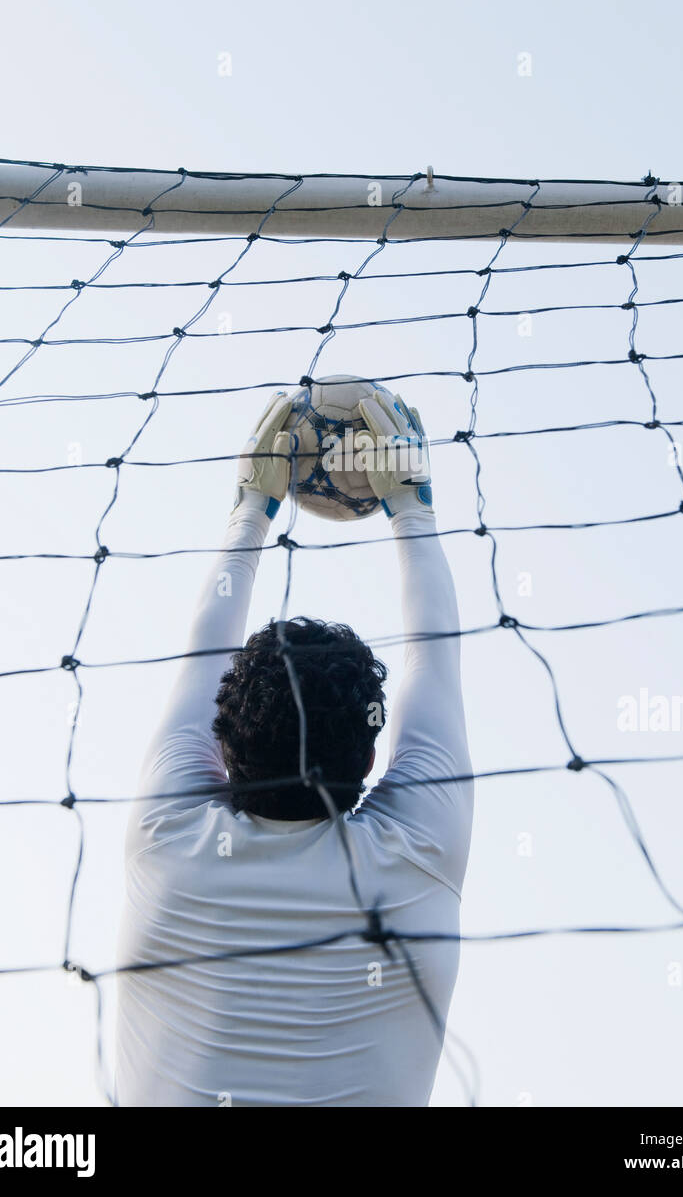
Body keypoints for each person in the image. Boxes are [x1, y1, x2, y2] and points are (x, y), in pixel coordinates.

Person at [115, 387, 473, 1106]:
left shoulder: (167, 834)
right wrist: (412, 507)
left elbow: (200, 653)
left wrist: (252, 508)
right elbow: (434, 659)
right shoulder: (417, 851)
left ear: (221, 746)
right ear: (371, 763)